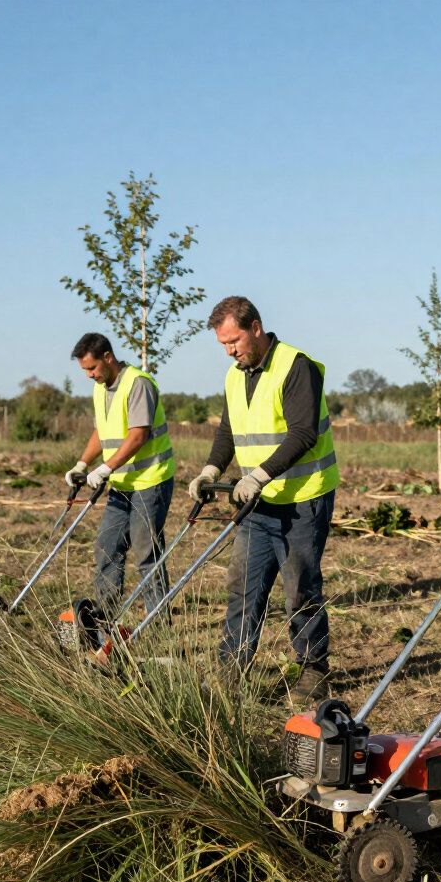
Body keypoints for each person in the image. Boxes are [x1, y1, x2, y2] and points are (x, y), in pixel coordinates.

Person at [188, 296, 340, 696]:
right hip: (257, 502)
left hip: (303, 498)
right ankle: (232, 668)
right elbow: (228, 431)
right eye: (222, 344)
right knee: (243, 585)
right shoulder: (235, 375)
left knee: (300, 586)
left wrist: (258, 475)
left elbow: (303, 434)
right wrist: (212, 469)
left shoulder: (296, 366)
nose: (229, 350)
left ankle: (313, 668)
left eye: (234, 340)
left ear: (256, 327)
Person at [66, 333, 175, 613]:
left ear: (107, 357)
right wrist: (82, 464)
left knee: (146, 552)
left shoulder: (138, 383)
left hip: (151, 480)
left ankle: (158, 628)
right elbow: (102, 432)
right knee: (106, 545)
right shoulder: (100, 388)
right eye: (84, 371)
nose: (89, 375)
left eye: (91, 368)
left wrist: (105, 467)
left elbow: (138, 435)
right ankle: (105, 621)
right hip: (122, 483)